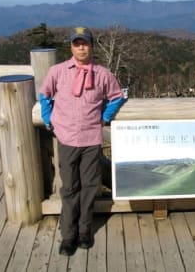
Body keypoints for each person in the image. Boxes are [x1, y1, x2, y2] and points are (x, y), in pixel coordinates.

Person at [39, 26, 126, 256]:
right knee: (69, 187)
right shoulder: (57, 71)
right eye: (77, 43)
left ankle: (85, 231)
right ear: (71, 46)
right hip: (66, 137)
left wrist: (104, 117)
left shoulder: (103, 74)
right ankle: (68, 234)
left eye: (85, 43)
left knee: (89, 187)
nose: (81, 47)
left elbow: (117, 96)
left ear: (91, 46)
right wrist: (49, 120)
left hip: (90, 138)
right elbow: (45, 95)